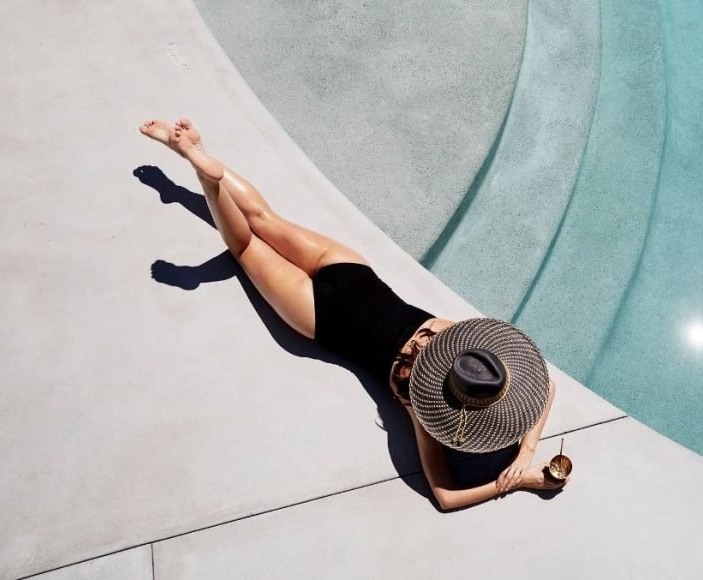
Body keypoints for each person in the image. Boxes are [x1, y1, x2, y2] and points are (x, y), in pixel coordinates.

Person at [139, 118, 567, 510]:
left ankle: (194, 155)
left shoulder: (464, 340)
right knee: (246, 245)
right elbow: (444, 496)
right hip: (325, 318)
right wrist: (523, 475)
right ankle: (206, 180)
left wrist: (527, 447)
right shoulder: (425, 407)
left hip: (353, 273)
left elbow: (544, 384)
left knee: (264, 218)